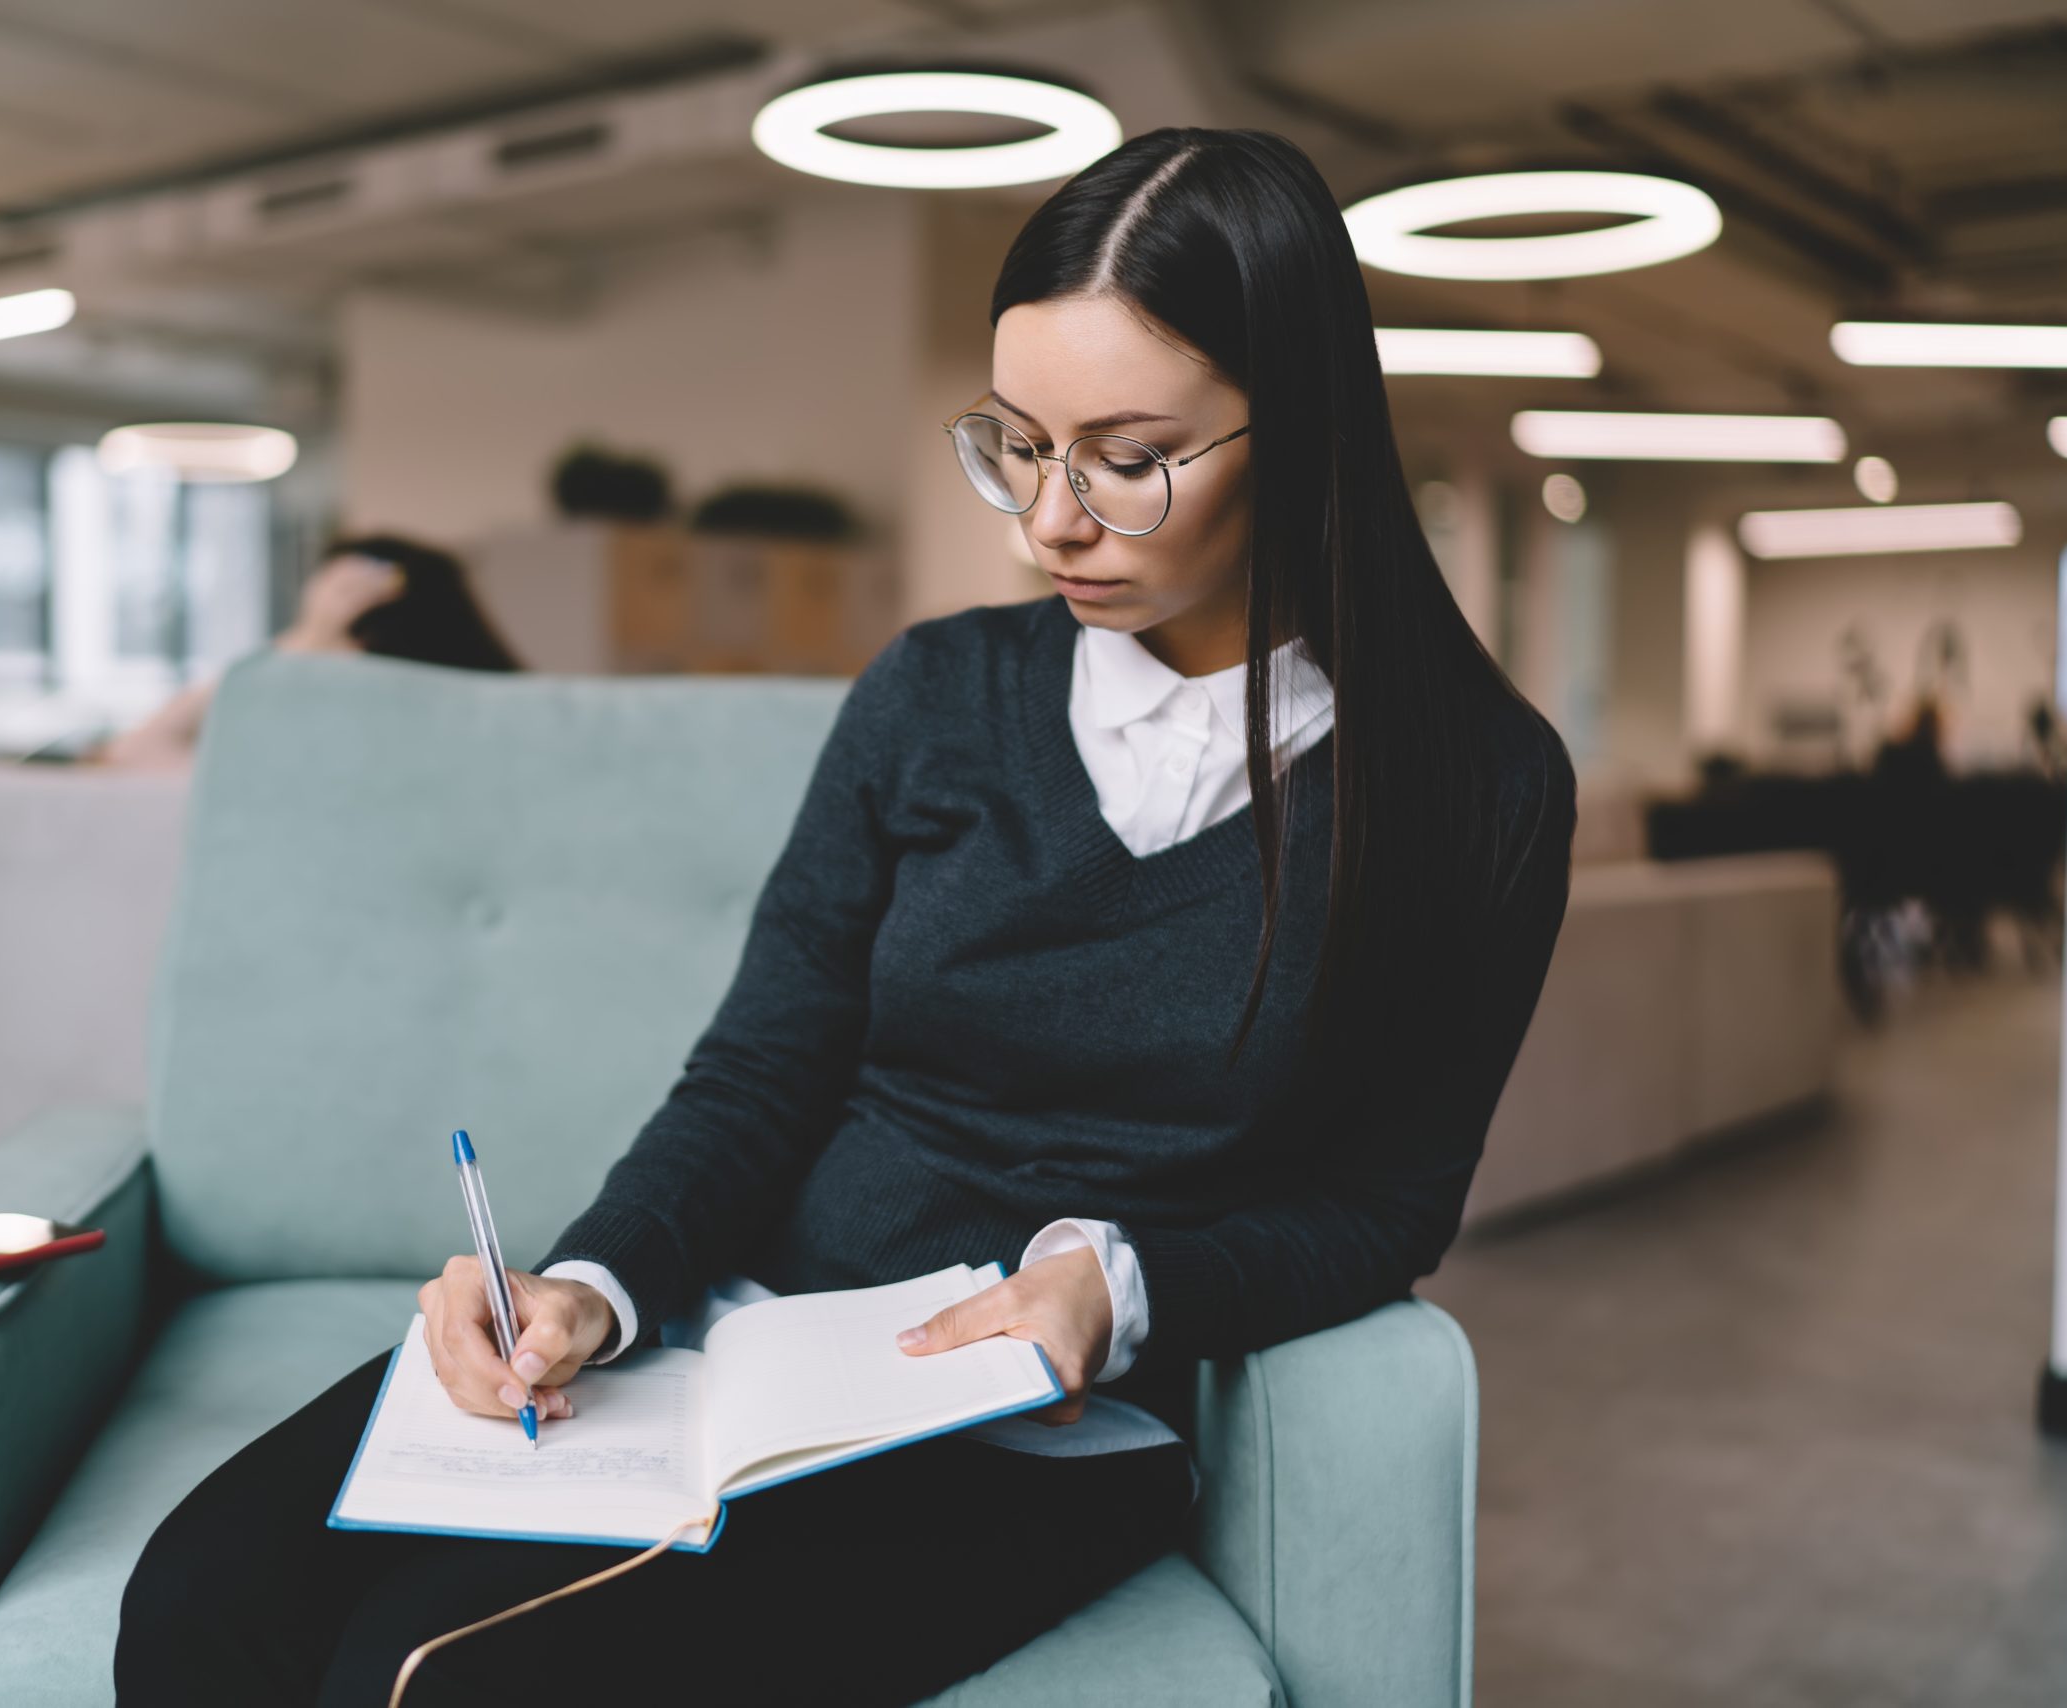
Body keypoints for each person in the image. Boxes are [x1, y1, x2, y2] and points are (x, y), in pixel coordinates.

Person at [115, 127, 1578, 1707]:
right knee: (199, 1598)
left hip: (1031, 1433)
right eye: (1017, 444)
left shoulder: (1475, 794)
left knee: (432, 1681)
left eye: (1124, 455)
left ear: (1297, 437)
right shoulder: (936, 697)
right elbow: (760, 1072)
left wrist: (1127, 1283)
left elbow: (1389, 1206)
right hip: (724, 1339)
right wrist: (594, 1286)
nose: (1049, 522)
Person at [92, 533, 518, 768]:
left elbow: (134, 752)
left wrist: (302, 641)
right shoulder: (510, 724)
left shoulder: (333, 765)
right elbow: (130, 754)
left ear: (363, 643)